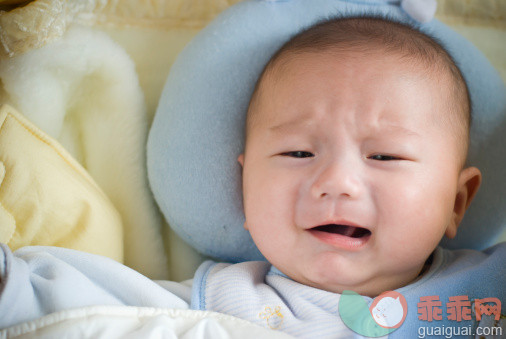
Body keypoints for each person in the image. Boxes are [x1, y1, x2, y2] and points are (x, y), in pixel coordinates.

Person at [1, 16, 504, 338]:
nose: (337, 183)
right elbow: (76, 306)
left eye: (385, 157)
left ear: (458, 203)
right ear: (245, 188)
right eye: (298, 151)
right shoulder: (232, 299)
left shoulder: (486, 290)